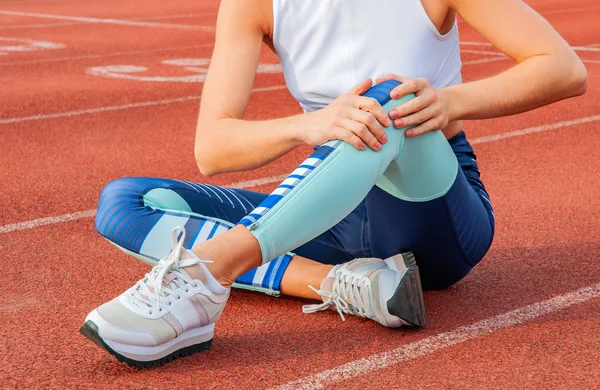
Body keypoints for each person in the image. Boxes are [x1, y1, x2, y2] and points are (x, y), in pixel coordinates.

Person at [79, 0, 587, 368]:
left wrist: (451, 102)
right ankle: (347, 285)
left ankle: (211, 271)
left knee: (386, 97)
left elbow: (564, 68)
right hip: (334, 215)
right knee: (127, 201)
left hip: (435, 214)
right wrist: (308, 124)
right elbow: (212, 148)